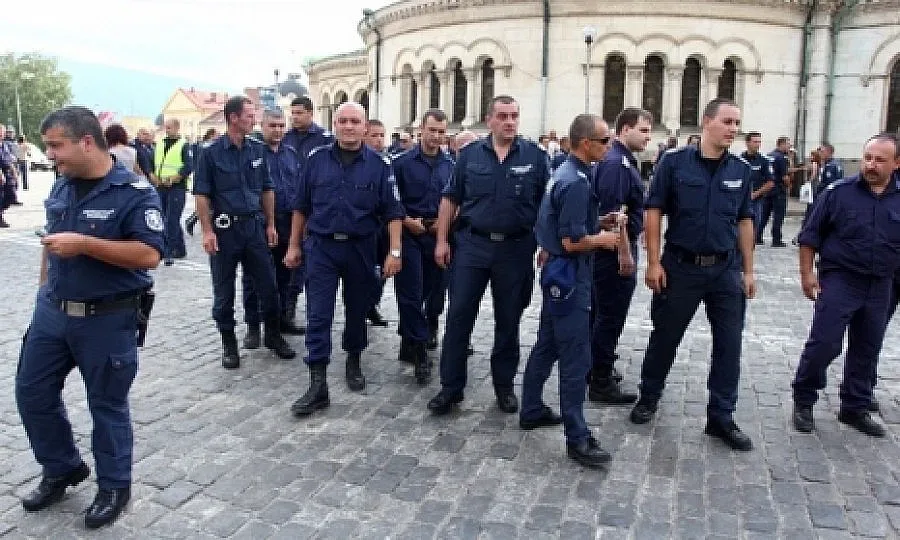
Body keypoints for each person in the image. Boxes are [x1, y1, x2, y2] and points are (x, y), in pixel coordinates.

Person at [15, 106, 164, 528]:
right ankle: (61, 467)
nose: (50, 154)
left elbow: (149, 254)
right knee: (32, 393)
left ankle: (115, 485)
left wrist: (84, 244)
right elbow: (51, 241)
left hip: (106, 318)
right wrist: (44, 291)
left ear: (85, 142)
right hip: (53, 313)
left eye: (55, 145)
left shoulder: (134, 192)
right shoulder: (62, 184)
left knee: (106, 405)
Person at [629, 98, 756, 452]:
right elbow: (654, 211)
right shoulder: (673, 163)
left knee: (729, 345)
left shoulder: (741, 170)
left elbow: (745, 220)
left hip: (725, 270)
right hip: (681, 266)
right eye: (728, 121)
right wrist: (653, 263)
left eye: (737, 123)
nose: (733, 129)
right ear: (707, 122)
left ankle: (721, 416)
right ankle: (649, 395)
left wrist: (748, 270)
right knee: (666, 336)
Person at [427, 95, 550, 415]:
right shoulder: (469, 156)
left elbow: (548, 207)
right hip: (472, 246)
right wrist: (441, 241)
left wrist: (548, 245)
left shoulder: (535, 157)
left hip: (516, 249)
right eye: (503, 116)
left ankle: (504, 386)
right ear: (489, 119)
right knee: (458, 317)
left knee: (508, 320)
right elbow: (450, 200)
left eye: (514, 116)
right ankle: (451, 388)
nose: (510, 121)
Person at [285, 102, 404, 415]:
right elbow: (301, 207)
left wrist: (394, 251)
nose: (349, 126)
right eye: (343, 121)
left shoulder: (380, 165)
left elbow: (393, 213)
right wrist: (294, 246)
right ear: (334, 124)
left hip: (361, 248)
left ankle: (353, 359)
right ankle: (317, 381)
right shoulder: (315, 161)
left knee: (357, 311)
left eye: (355, 121)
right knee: (318, 313)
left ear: (364, 127)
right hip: (322, 248)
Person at [520, 114, 620, 468]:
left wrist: (598, 222)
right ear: (584, 143)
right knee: (575, 356)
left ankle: (530, 407)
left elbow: (560, 220)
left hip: (557, 271)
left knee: (547, 343)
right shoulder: (575, 180)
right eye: (604, 139)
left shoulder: (567, 171)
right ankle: (578, 437)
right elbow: (572, 240)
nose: (608, 146)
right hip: (569, 273)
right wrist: (605, 239)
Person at [791, 134, 900, 438]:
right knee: (825, 342)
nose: (871, 165)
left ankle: (855, 406)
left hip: (881, 284)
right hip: (841, 279)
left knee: (868, 347)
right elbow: (809, 236)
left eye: (879, 160)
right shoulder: (838, 193)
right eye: (868, 157)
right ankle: (804, 398)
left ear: (896, 163)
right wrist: (807, 275)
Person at [193, 95, 295, 369]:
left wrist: (271, 224)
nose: (254, 120)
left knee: (268, 286)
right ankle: (229, 343)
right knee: (224, 292)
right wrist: (206, 231)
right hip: (225, 229)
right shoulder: (210, 153)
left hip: (254, 227)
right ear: (233, 118)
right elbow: (201, 195)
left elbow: (266, 189)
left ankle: (272, 335)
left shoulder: (257, 150)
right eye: (249, 115)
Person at [588, 107, 652, 404]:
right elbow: (614, 216)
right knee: (609, 315)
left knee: (605, 314)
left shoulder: (624, 161)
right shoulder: (616, 164)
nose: (648, 137)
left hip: (617, 249)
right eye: (643, 130)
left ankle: (598, 367)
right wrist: (625, 254)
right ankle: (600, 380)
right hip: (614, 253)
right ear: (625, 129)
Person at [392, 109, 454, 384]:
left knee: (435, 292)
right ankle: (419, 351)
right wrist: (407, 221)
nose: (437, 137)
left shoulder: (451, 165)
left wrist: (445, 225)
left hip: (438, 234)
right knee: (410, 292)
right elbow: (391, 201)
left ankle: (414, 335)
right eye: (432, 131)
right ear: (421, 130)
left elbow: (458, 200)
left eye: (442, 132)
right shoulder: (402, 163)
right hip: (410, 233)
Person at [240, 108, 305, 350]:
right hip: (261, 222)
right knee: (254, 277)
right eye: (272, 126)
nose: (277, 130)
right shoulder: (253, 154)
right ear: (262, 125)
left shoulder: (291, 154)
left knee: (285, 275)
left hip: (288, 221)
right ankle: (253, 327)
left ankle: (278, 322)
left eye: (281, 126)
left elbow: (299, 187)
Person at [282, 96, 334, 331]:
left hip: (313, 210)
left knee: (304, 264)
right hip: (286, 207)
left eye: (299, 112)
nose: (295, 117)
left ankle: (296, 309)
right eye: (292, 113)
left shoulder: (324, 139)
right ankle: (282, 310)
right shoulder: (285, 138)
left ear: (311, 113)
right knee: (283, 262)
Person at [151, 118, 193, 265]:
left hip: (176, 187)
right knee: (164, 219)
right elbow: (152, 162)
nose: (166, 130)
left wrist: (174, 178)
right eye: (165, 127)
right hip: (160, 186)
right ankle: (180, 249)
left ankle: (167, 252)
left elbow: (188, 166)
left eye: (169, 127)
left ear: (177, 128)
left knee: (171, 220)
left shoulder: (184, 145)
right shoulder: (160, 144)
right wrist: (153, 176)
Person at [757, 136, 791, 247]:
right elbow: (784, 176)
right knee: (778, 216)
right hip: (778, 190)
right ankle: (776, 239)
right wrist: (788, 186)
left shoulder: (769, 155)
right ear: (781, 144)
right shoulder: (781, 158)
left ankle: (758, 236)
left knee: (764, 215)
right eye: (788, 144)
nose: (789, 147)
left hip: (768, 189)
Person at [185, 128, 220, 236]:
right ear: (211, 135)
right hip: (206, 178)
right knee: (207, 204)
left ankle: (192, 221)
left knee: (209, 204)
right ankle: (191, 221)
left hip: (203, 176)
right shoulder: (207, 147)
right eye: (217, 134)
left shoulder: (202, 145)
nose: (219, 136)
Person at [740, 132, 775, 238]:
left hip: (755, 201)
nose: (758, 144)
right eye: (755, 142)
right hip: (740, 200)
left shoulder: (764, 160)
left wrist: (755, 194)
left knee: (753, 230)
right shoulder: (739, 159)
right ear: (747, 143)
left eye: (759, 142)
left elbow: (770, 182)